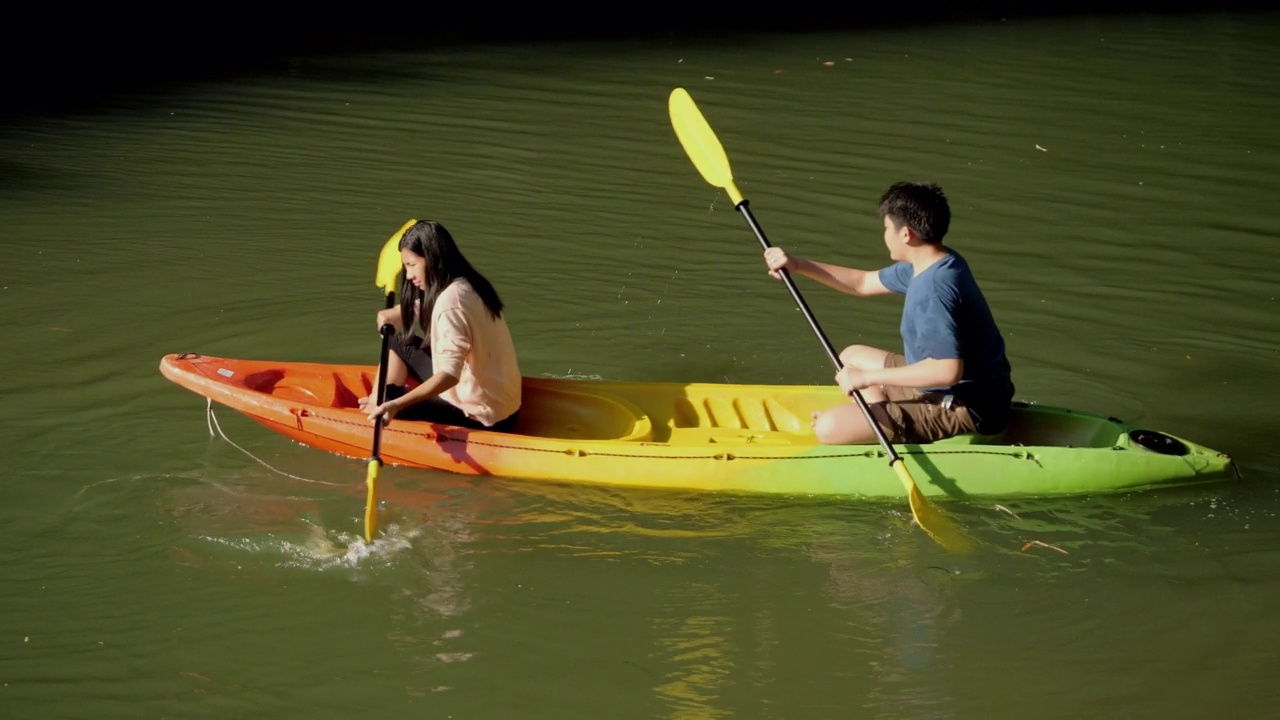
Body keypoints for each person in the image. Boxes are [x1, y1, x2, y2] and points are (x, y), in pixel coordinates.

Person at [762, 181, 1013, 445]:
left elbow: (947, 370)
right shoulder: (932, 261)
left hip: (968, 409)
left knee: (827, 428)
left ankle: (883, 422)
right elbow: (862, 282)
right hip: (946, 389)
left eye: (886, 228)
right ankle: (882, 415)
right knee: (851, 357)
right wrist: (798, 265)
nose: (884, 235)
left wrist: (867, 379)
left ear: (906, 234)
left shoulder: (934, 290)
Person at [361, 219, 522, 432]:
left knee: (388, 397)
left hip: (483, 416)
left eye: (412, 265)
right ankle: (378, 399)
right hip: (504, 403)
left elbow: (449, 375)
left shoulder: (450, 303)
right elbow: (441, 306)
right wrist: (403, 311)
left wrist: (395, 404)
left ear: (432, 259)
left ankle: (381, 403)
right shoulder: (470, 283)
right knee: (400, 342)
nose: (408, 276)